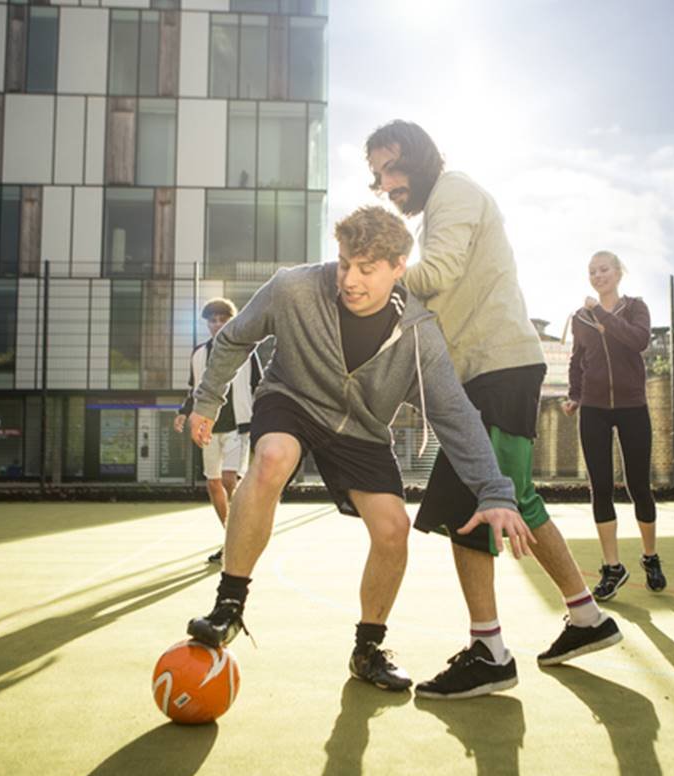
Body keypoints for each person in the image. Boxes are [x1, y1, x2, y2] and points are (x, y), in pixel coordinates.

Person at [184, 206, 534, 693]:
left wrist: (495, 492)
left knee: (393, 529)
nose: (349, 279)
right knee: (271, 459)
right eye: (345, 263)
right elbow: (235, 338)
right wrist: (207, 400)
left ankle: (368, 649)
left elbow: (455, 415)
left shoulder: (419, 336)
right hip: (294, 399)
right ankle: (229, 607)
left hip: (362, 430)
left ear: (398, 266)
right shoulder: (294, 288)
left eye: (366, 269)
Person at [365, 120, 623, 700]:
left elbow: (440, 274)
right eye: (378, 175)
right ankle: (587, 619)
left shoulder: (454, 193)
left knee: (470, 504)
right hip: (487, 370)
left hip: (498, 368)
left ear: (422, 158)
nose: (386, 183)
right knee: (516, 497)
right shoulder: (437, 211)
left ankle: (490, 651)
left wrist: (368, 277)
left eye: (393, 167)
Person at [563, 251, 667, 600]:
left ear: (618, 272)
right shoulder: (580, 318)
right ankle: (612, 567)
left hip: (632, 407)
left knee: (639, 485)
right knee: (601, 487)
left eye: (603, 269)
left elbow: (638, 341)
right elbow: (578, 360)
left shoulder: (636, 307)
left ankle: (650, 557)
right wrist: (575, 395)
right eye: (591, 271)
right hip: (594, 409)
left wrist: (602, 314)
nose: (597, 275)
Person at [174, 298, 261, 564]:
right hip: (207, 428)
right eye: (213, 320)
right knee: (213, 484)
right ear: (207, 324)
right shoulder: (199, 353)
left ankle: (237, 540)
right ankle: (229, 539)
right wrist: (183, 412)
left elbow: (259, 386)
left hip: (239, 427)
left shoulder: (247, 351)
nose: (217, 324)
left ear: (231, 321)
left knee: (228, 480)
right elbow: (195, 390)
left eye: (223, 319)